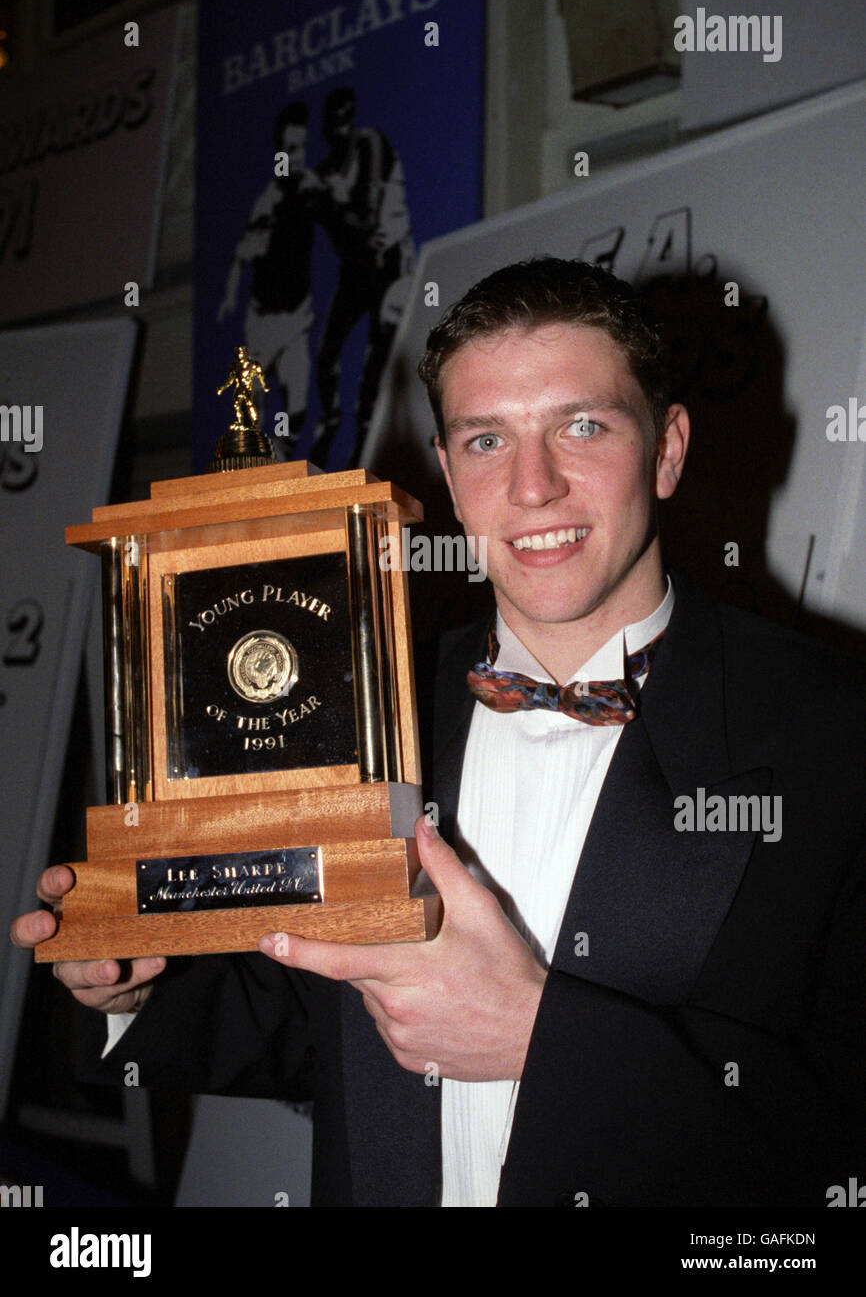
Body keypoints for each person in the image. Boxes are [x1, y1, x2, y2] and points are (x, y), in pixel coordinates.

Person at [12, 258, 866, 1207]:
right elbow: (312, 1017)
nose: (533, 487)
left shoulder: (831, 732)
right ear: (450, 475)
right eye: (488, 439)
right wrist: (136, 989)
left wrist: (543, 1042)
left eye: (582, 426)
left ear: (667, 449)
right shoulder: (366, 709)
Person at [307, 86, 415, 469]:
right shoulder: (321, 175)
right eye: (334, 122)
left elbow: (370, 219)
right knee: (326, 355)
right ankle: (331, 420)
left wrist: (333, 202)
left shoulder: (370, 146)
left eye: (346, 118)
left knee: (380, 357)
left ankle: (369, 443)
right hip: (356, 272)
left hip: (389, 262)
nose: (341, 129)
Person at [218, 102, 318, 454]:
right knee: (250, 410)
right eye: (291, 150)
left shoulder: (311, 189)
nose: (298, 155)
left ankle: (285, 457)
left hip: (296, 318)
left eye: (303, 147)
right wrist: (230, 295)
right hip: (264, 323)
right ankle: (257, 466)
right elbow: (240, 256)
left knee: (299, 401)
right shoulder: (267, 205)